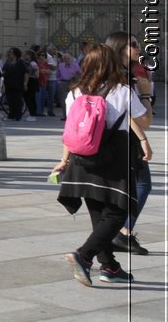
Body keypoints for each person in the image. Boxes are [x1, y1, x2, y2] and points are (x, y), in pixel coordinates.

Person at [53, 43, 153, 286]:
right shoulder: (122, 90)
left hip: (81, 157)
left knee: (98, 213)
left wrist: (64, 160)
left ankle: (109, 266)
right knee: (119, 210)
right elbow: (146, 119)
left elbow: (72, 128)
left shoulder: (74, 92)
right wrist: (147, 93)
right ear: (110, 63)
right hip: (114, 155)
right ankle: (84, 256)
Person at [105, 31, 153, 256]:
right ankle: (121, 233)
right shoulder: (123, 78)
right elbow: (145, 120)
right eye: (133, 45)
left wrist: (142, 139)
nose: (138, 48)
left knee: (131, 187)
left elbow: (128, 114)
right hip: (124, 142)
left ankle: (118, 234)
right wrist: (146, 94)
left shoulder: (113, 74)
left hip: (119, 140)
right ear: (120, 49)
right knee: (142, 185)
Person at [2, 47, 27, 121]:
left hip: (17, 84)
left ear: (15, 54)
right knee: (10, 100)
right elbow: (3, 71)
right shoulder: (8, 62)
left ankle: (18, 115)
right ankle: (11, 114)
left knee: (17, 101)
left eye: (11, 52)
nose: (9, 53)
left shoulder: (20, 62)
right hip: (8, 85)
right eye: (9, 52)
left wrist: (25, 83)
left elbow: (26, 72)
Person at [55, 51, 81, 117]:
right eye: (66, 58)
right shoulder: (60, 65)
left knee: (74, 98)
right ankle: (65, 115)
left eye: (69, 58)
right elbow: (57, 75)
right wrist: (59, 81)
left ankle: (73, 114)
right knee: (63, 99)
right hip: (63, 82)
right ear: (63, 59)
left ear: (71, 59)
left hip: (73, 82)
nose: (67, 60)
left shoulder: (75, 65)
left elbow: (80, 74)